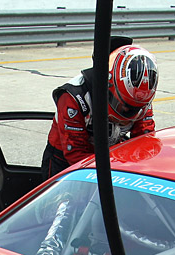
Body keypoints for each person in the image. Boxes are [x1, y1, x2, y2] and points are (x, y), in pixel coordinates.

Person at [41, 43, 158, 180]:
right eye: (124, 105)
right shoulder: (73, 97)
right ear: (108, 86)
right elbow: (75, 154)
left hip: (110, 157)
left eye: (134, 108)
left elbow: (146, 140)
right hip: (64, 161)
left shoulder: (140, 98)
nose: (128, 111)